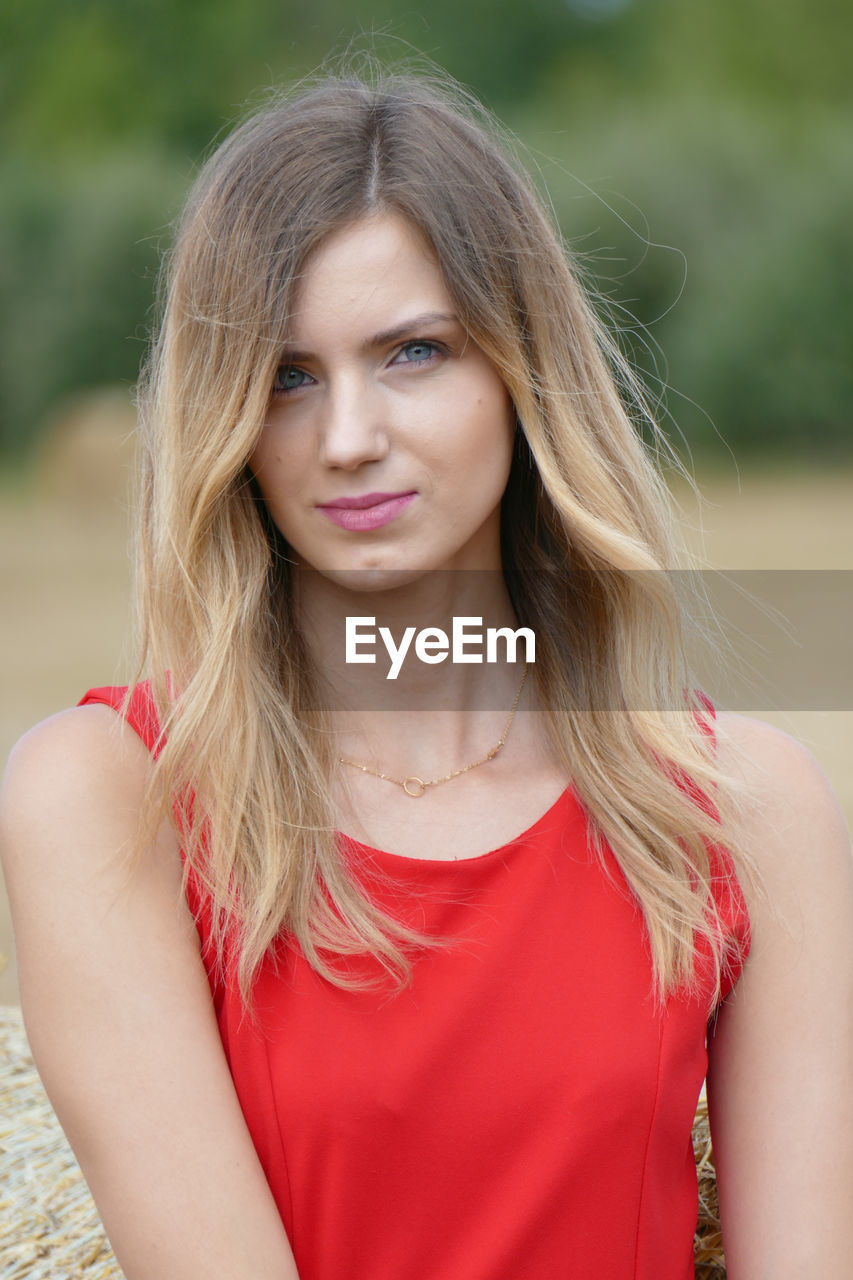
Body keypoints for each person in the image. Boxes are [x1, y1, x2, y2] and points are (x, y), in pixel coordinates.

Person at [1, 67, 851, 1280]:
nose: (348, 437)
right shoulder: (112, 795)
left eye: (412, 352)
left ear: (523, 369)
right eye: (288, 376)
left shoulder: (746, 809)